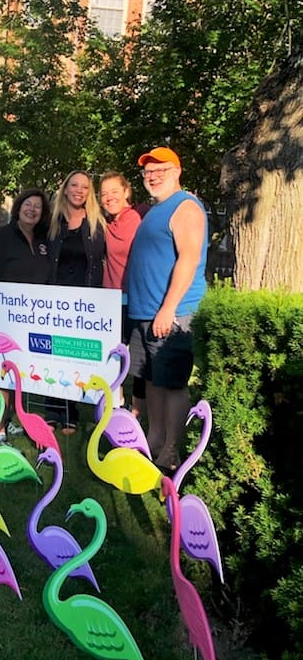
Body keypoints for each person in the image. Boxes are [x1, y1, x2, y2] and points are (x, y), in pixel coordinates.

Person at [127, 147, 208, 473]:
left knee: (172, 382)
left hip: (171, 313)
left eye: (160, 170)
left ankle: (173, 451)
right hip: (145, 312)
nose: (152, 176)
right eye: (148, 171)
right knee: (151, 380)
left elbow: (189, 259)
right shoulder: (155, 210)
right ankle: (155, 439)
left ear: (176, 171)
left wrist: (168, 307)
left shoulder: (185, 206)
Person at [0, 188, 51, 445]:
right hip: (5, 317)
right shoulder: (2, 237)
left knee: (18, 374)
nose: (32, 210)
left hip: (33, 319)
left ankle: (9, 419)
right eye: (28, 204)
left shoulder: (43, 240)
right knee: (0, 375)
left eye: (37, 206)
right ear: (18, 208)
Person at [46, 170, 106, 434]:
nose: (79, 190)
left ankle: (70, 412)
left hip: (84, 304)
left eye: (85, 187)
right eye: (74, 185)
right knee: (51, 355)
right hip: (53, 302)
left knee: (73, 357)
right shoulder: (52, 222)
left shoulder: (96, 224)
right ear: (65, 189)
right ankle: (52, 410)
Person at [99, 170, 147, 419]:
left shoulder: (141, 216)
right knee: (112, 357)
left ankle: (136, 413)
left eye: (115, 191)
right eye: (104, 194)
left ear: (127, 191)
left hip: (138, 300)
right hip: (111, 302)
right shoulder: (104, 224)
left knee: (138, 360)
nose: (110, 197)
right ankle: (115, 407)